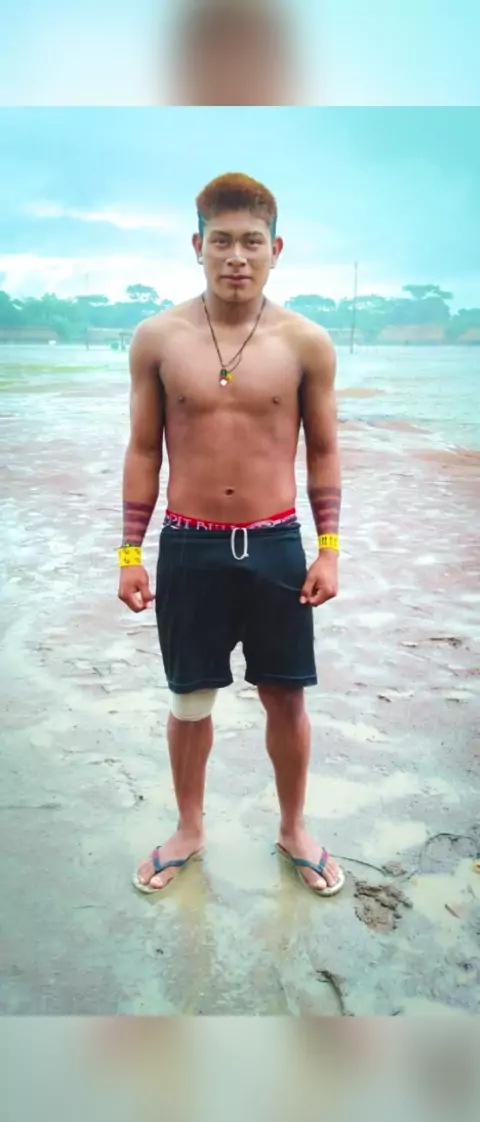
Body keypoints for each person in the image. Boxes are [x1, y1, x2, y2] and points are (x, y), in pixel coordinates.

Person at [118, 172, 344, 897]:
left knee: (287, 697)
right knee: (190, 699)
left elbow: (325, 451)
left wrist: (329, 550)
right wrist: (130, 553)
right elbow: (143, 450)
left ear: (276, 249)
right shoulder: (158, 339)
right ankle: (189, 828)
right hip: (190, 546)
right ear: (197, 246)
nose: (236, 257)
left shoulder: (306, 343)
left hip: (277, 546)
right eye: (221, 241)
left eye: (251, 242)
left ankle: (293, 828)